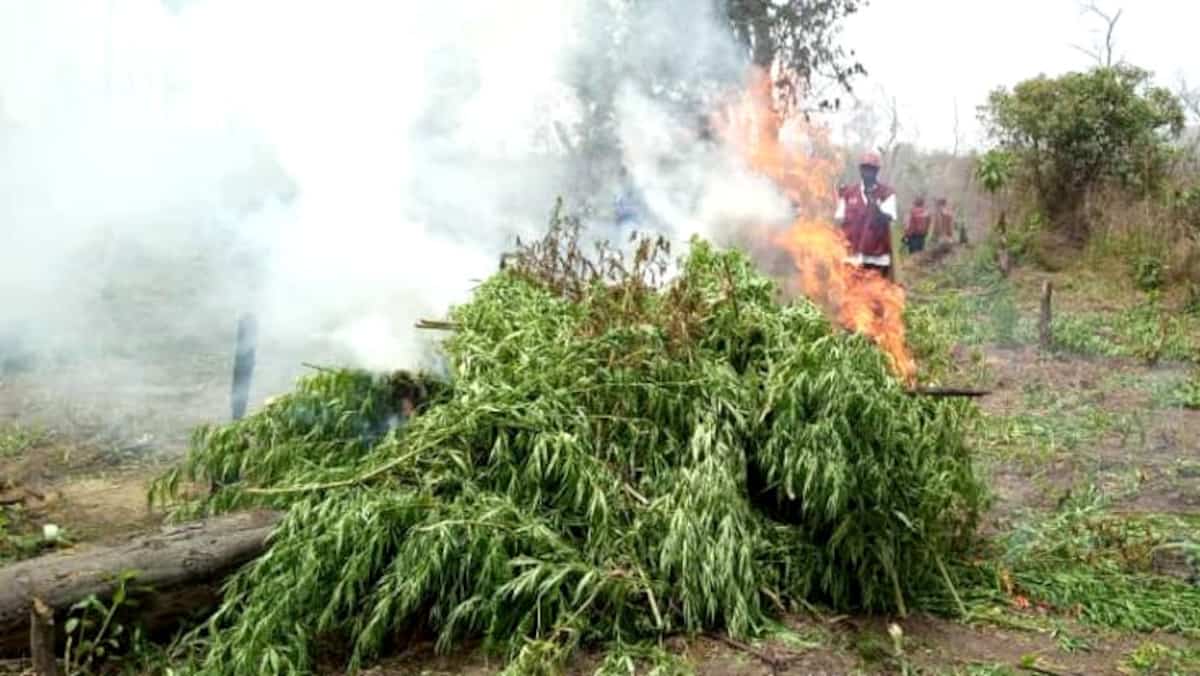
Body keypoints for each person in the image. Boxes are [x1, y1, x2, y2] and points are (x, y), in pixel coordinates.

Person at [834, 151, 897, 280]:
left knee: (877, 293)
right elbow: (839, 220)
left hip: (877, 257)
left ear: (877, 171)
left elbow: (888, 218)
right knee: (853, 293)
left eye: (872, 169)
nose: (868, 173)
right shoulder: (848, 193)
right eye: (865, 169)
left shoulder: (886, 193)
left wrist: (874, 204)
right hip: (852, 256)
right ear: (860, 170)